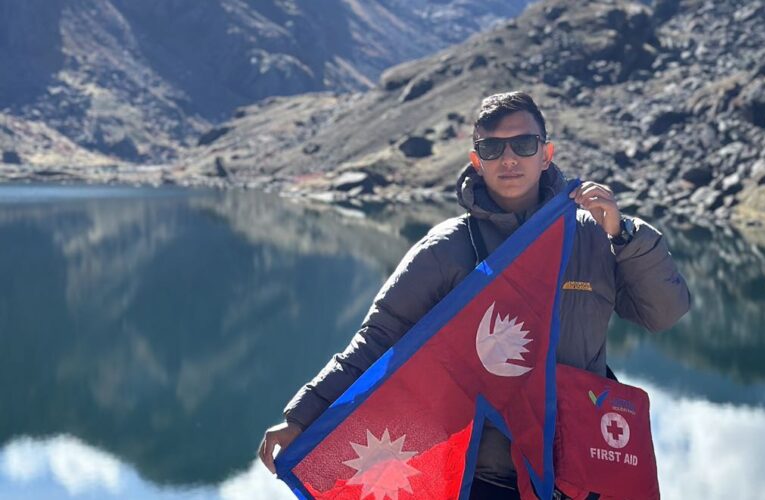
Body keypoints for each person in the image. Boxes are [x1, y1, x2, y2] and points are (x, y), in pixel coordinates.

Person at [259, 91, 691, 499]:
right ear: (475, 161)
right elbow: (379, 340)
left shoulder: (595, 233)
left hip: (579, 465)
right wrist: (303, 417)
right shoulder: (446, 248)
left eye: (523, 144)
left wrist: (626, 234)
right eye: (492, 149)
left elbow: (664, 313)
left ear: (546, 154)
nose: (508, 159)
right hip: (485, 473)